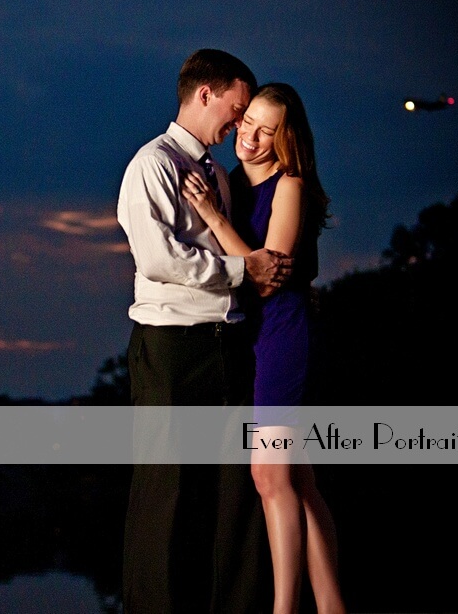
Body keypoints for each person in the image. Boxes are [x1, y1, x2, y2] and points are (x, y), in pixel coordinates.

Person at [117, 49, 292, 614]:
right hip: (172, 346)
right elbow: (160, 260)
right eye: (237, 109)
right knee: (167, 493)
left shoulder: (215, 172)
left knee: (232, 497)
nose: (238, 124)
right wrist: (245, 270)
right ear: (205, 94)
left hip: (227, 343)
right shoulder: (152, 164)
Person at [181, 82, 346, 613]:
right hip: (245, 338)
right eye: (247, 121)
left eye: (265, 130)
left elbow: (268, 277)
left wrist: (213, 218)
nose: (249, 136)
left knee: (270, 474)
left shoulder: (289, 184)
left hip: (280, 336)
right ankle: (332, 605)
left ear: (284, 139)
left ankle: (283, 609)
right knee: (298, 479)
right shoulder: (228, 182)